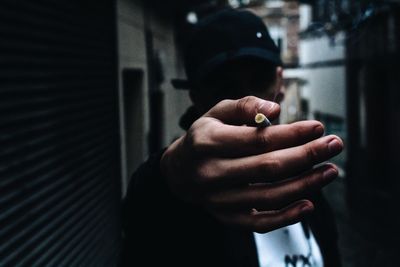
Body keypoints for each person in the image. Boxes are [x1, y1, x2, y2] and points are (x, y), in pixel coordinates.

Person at [121, 9, 343, 267]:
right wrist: (168, 175)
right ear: (196, 98)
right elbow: (142, 221)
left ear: (280, 82)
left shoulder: (304, 182)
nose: (249, 102)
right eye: (225, 88)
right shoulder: (184, 195)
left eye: (259, 79)